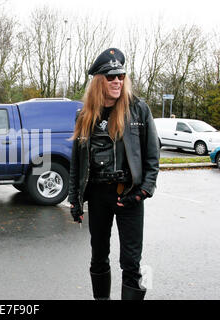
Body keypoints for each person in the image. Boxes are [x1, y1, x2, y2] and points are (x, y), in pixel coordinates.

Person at [68, 48, 160, 300]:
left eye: (120, 76)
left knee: (130, 262)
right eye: (111, 77)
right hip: (98, 195)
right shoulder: (84, 115)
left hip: (129, 195)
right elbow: (77, 161)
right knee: (98, 256)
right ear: (99, 81)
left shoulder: (138, 110)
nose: (117, 81)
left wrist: (143, 191)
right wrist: (74, 200)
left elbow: (153, 156)